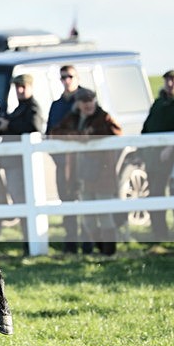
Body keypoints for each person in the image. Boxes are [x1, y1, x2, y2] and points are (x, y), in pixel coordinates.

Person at [50, 89, 123, 255]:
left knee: (104, 215)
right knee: (88, 218)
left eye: (91, 101)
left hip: (102, 172)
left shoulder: (103, 117)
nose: (88, 105)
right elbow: (55, 132)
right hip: (82, 173)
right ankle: (102, 248)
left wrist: (92, 137)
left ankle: (109, 252)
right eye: (84, 102)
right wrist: (77, 136)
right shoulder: (73, 118)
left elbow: (118, 133)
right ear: (78, 104)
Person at [0, 74, 44, 254]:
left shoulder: (32, 107)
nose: (20, 90)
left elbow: (33, 127)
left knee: (24, 203)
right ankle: (27, 243)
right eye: (17, 87)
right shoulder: (19, 108)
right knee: (20, 203)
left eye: (23, 87)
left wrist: (9, 126)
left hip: (22, 165)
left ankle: (30, 243)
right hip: (14, 164)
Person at [140, 69, 174, 239]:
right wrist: (141, 150)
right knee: (155, 193)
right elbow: (147, 128)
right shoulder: (158, 103)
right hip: (154, 156)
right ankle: (159, 233)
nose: (170, 84)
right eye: (167, 80)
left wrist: (172, 147)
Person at [47, 65, 94, 254]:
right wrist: (58, 157)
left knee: (84, 201)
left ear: (77, 78)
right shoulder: (57, 105)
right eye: (63, 77)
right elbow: (50, 133)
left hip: (84, 162)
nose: (66, 80)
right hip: (63, 163)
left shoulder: (87, 100)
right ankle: (71, 243)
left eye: (70, 76)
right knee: (66, 201)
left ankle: (88, 243)